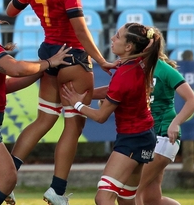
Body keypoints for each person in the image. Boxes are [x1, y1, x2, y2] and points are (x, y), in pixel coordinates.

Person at [4, 0, 116, 205]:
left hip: (48, 54)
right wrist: (101, 60)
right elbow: (79, 27)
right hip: (74, 57)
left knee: (43, 121)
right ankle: (56, 189)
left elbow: (10, 11)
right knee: (73, 126)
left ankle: (5, 179)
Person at [0, 0, 73, 205]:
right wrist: (48, 63)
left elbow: (6, 85)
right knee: (7, 178)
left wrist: (42, 69)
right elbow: (15, 68)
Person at [61, 23, 160, 205]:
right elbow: (114, 91)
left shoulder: (124, 73)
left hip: (132, 139)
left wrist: (76, 103)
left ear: (129, 47)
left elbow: (100, 117)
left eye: (117, 36)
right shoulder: (135, 65)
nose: (112, 39)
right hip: (144, 136)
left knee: (103, 197)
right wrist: (86, 95)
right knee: (126, 198)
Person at [136, 52, 194, 205]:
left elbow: (192, 101)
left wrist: (175, 123)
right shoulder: (136, 68)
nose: (113, 40)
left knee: (132, 190)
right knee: (153, 199)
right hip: (149, 137)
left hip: (163, 136)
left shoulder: (164, 69)